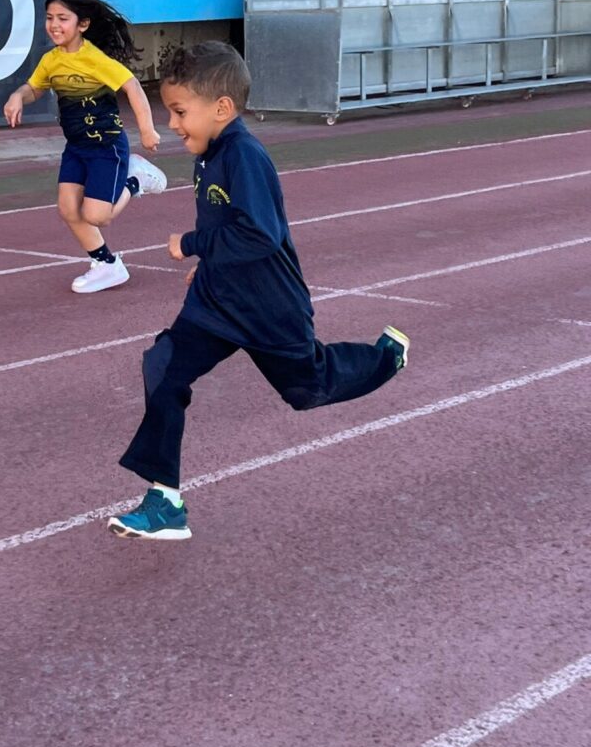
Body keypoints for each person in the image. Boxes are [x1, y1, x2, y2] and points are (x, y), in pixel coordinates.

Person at [107, 42, 410, 540]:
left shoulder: (245, 155)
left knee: (307, 389)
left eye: (181, 112)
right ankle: (165, 502)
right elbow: (229, 222)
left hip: (269, 305)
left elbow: (259, 234)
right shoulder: (209, 153)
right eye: (170, 112)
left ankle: (384, 359)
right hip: (217, 299)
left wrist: (192, 243)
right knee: (162, 366)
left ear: (222, 109)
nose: (173, 124)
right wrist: (210, 261)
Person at [2, 0, 167, 295]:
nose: (54, 25)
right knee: (68, 209)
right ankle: (107, 264)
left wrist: (147, 129)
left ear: (83, 24)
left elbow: (132, 86)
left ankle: (135, 178)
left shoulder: (94, 59)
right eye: (50, 18)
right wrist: (17, 96)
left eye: (63, 18)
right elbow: (34, 87)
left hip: (107, 147)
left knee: (97, 216)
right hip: (77, 148)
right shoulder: (51, 60)